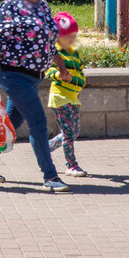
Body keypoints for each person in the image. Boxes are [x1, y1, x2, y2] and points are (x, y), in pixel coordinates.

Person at [0, 0, 72, 193]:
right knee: (38, 122)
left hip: (34, 76)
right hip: (11, 74)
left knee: (11, 122)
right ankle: (50, 176)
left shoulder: (42, 6)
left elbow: (50, 43)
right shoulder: (9, 6)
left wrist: (61, 67)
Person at [47, 12, 87, 177]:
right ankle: (71, 165)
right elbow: (48, 70)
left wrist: (82, 79)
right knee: (69, 132)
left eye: (74, 36)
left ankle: (44, 148)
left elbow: (79, 69)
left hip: (73, 97)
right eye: (69, 36)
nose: (73, 39)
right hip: (60, 97)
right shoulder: (55, 53)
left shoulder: (74, 52)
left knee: (74, 131)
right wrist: (58, 75)